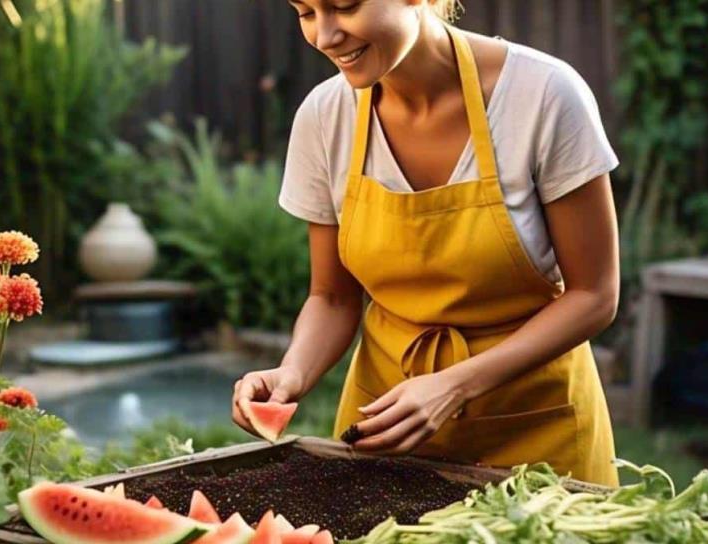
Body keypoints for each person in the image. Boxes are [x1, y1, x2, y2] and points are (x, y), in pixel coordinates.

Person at [232, 0, 620, 486]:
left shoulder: (543, 94)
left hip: (535, 426)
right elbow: (332, 297)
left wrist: (454, 385)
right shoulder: (325, 116)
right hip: (382, 425)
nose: (325, 35)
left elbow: (594, 296)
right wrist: (292, 373)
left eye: (344, 6)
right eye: (306, 12)